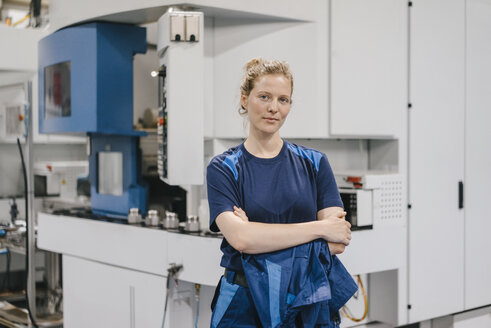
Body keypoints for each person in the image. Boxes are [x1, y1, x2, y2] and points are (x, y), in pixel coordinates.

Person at [206, 58, 354, 327]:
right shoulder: (224, 168)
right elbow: (240, 240)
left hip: (305, 299)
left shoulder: (314, 162)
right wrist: (319, 228)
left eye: (283, 100)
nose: (274, 108)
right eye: (264, 97)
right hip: (244, 301)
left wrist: (257, 236)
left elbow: (336, 242)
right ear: (244, 100)